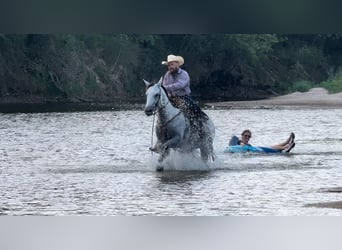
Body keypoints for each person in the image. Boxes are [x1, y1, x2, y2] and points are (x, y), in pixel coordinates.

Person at [161, 54, 207, 133]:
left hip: (183, 97)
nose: (170, 67)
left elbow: (180, 85)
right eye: (168, 65)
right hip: (170, 98)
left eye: (172, 64)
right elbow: (164, 86)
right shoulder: (167, 75)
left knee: (195, 109)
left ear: (177, 64)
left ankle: (199, 128)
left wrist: (166, 88)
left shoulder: (184, 74)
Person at [229, 129, 296, 152]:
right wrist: (242, 143)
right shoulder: (239, 142)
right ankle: (286, 147)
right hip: (257, 150)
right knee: (270, 148)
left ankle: (287, 142)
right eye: (245, 136)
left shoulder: (248, 145)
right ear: (242, 135)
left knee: (271, 146)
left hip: (255, 148)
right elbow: (240, 143)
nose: (247, 137)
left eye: (249, 136)